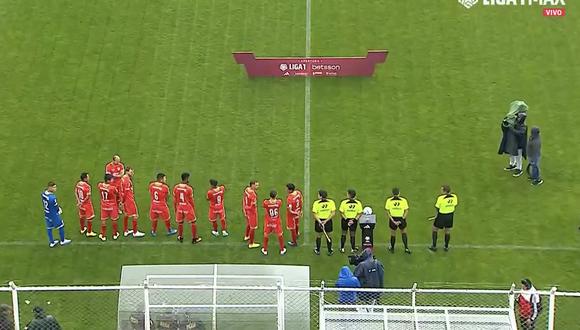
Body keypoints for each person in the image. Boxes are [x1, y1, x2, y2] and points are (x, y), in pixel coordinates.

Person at [498, 101, 528, 177]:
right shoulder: (515, 121)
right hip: (513, 142)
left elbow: (519, 133)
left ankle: (519, 168)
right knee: (511, 153)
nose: (518, 118)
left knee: (518, 156)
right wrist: (505, 123)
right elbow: (505, 128)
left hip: (520, 144)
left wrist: (511, 128)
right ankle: (512, 164)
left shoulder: (523, 126)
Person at [173, 172, 202, 244]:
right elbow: (191, 201)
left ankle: (180, 237)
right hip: (187, 207)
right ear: (186, 179)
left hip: (179, 207)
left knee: (180, 222)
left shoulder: (176, 187)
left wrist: (175, 208)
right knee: (193, 222)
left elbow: (175, 199)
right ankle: (195, 238)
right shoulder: (189, 188)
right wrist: (193, 209)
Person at [41, 182, 72, 248]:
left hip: (47, 214)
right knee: (61, 226)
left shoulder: (43, 194)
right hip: (53, 215)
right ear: (50, 187)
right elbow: (55, 206)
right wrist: (59, 210)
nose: (55, 189)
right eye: (54, 187)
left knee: (49, 228)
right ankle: (62, 241)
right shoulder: (52, 198)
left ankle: (52, 242)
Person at [428, 185, 458, 252]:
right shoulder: (455, 196)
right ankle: (446, 247)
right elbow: (455, 204)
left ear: (444, 191)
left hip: (442, 215)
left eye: (442, 190)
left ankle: (434, 246)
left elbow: (437, 207)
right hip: (450, 215)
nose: (440, 191)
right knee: (447, 230)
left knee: (435, 229)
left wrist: (437, 214)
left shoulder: (440, 198)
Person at [120, 167, 145, 237]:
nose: (132, 173)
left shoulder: (123, 178)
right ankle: (135, 232)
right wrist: (123, 202)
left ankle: (125, 230)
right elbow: (125, 192)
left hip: (125, 200)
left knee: (126, 215)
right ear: (127, 172)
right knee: (135, 215)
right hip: (129, 200)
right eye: (131, 172)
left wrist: (122, 202)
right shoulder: (127, 180)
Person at [385, 187, 411, 254]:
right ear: (399, 193)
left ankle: (392, 248)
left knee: (393, 233)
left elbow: (388, 212)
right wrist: (402, 219)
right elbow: (406, 210)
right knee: (404, 232)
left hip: (393, 218)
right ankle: (406, 248)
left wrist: (393, 221)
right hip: (401, 218)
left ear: (392, 193)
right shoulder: (404, 200)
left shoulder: (389, 200)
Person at [261, 190, 287, 256]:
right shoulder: (279, 202)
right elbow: (279, 204)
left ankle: (265, 250)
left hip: (268, 221)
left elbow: (264, 206)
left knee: (266, 234)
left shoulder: (266, 202)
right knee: (280, 234)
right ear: (276, 196)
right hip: (276, 221)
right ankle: (282, 249)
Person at [312, 190, 336, 256]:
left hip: (319, 221)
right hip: (328, 221)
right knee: (329, 236)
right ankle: (330, 250)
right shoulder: (331, 202)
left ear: (320, 196)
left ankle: (318, 250)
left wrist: (320, 221)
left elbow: (314, 214)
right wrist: (326, 221)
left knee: (318, 236)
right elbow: (333, 213)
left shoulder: (316, 203)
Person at [338, 189, 363, 253]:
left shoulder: (344, 202)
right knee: (352, 234)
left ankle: (342, 248)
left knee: (344, 233)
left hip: (345, 220)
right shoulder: (358, 203)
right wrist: (354, 220)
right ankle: (352, 248)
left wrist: (346, 219)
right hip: (353, 220)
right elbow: (360, 213)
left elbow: (341, 212)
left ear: (349, 195)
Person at [97, 174, 121, 241]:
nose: (113, 180)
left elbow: (100, 186)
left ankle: (103, 235)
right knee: (114, 220)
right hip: (112, 206)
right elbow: (117, 194)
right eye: (111, 179)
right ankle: (115, 234)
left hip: (104, 206)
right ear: (108, 180)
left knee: (103, 220)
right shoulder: (112, 188)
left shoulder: (100, 185)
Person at [74, 172, 96, 237]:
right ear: (85, 178)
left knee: (82, 216)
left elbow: (75, 192)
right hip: (86, 204)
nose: (89, 178)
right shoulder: (87, 186)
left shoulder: (78, 184)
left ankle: (82, 229)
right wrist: (82, 202)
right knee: (90, 218)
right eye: (88, 177)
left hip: (80, 204)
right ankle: (89, 232)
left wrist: (79, 201)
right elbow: (87, 197)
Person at [243, 181, 260, 248]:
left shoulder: (247, 189)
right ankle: (251, 243)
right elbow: (253, 204)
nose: (257, 187)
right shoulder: (253, 194)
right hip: (251, 212)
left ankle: (247, 236)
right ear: (252, 185)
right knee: (253, 227)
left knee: (248, 224)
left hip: (246, 209)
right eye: (256, 185)